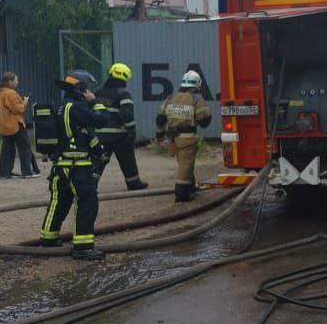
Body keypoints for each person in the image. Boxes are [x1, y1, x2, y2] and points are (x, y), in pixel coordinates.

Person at [39, 69, 109, 260]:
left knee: (59, 201)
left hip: (60, 166)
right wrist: (94, 102)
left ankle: (48, 238)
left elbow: (83, 134)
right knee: (87, 202)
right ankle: (83, 247)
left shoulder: (59, 106)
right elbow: (102, 120)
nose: (90, 91)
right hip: (77, 167)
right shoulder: (77, 108)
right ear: (81, 89)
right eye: (88, 88)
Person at [155, 70, 212, 202]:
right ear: (197, 84)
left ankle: (190, 187)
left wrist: (159, 136)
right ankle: (181, 194)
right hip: (188, 138)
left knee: (183, 164)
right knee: (185, 166)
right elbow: (204, 121)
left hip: (174, 138)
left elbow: (160, 119)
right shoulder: (196, 99)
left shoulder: (170, 98)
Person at [93, 63, 148, 191]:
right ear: (123, 78)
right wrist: (132, 130)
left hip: (100, 134)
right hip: (119, 135)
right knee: (127, 158)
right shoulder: (124, 93)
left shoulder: (98, 92)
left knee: (98, 160)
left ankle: (91, 184)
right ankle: (133, 183)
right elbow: (126, 114)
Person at [0, 72, 41, 179]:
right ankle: (27, 172)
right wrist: (25, 101)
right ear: (10, 81)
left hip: (3, 126)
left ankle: (5, 173)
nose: (17, 82)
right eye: (16, 80)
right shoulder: (10, 93)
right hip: (15, 125)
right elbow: (18, 109)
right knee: (24, 147)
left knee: (7, 149)